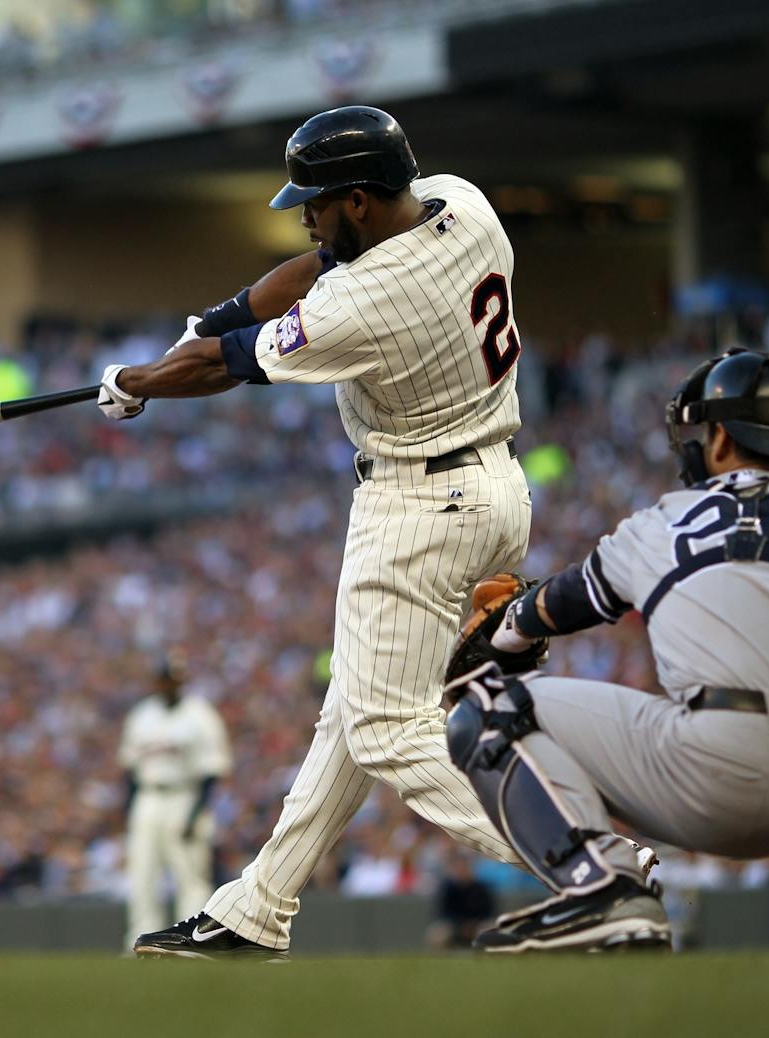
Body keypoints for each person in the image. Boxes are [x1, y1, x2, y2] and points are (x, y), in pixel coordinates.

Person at [98, 105, 539, 960]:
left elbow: (225, 368)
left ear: (364, 201)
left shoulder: (366, 300)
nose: (305, 212)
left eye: (319, 198)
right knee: (349, 717)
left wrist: (138, 379)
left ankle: (591, 861)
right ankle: (254, 909)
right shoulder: (461, 203)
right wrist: (215, 314)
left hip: (420, 505)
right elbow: (310, 265)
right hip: (494, 488)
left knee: (386, 728)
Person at [444, 349, 769, 952]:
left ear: (720, 438)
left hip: (719, 781)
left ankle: (604, 888)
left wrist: (509, 627)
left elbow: (559, 603)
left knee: (486, 710)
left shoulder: (664, 520)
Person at [118, 651, 232, 951]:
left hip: (185, 796)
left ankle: (192, 943)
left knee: (190, 877)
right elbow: (129, 768)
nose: (169, 685)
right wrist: (131, 810)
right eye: (165, 679)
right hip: (148, 797)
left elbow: (211, 772)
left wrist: (195, 815)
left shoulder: (200, 715)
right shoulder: (142, 715)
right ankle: (139, 943)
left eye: (175, 680)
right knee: (142, 874)